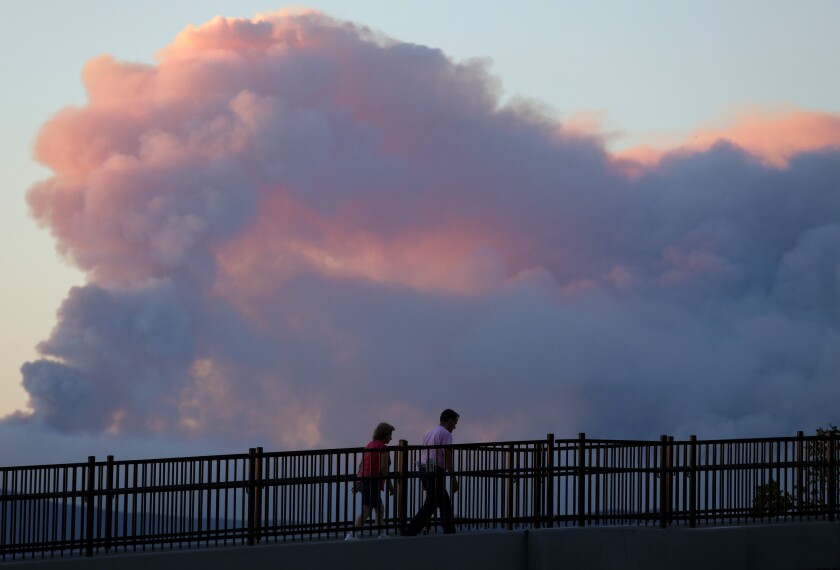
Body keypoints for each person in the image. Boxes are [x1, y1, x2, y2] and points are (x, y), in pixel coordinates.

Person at [405, 409, 459, 536]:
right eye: (455, 423)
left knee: (436, 502)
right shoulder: (445, 434)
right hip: (435, 469)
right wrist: (453, 477)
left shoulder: (430, 432)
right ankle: (412, 530)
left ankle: (448, 532)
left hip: (425, 467)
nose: (455, 427)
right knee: (436, 504)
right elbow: (447, 454)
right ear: (449, 420)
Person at [346, 422, 395, 540]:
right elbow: (383, 469)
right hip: (372, 482)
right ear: (384, 435)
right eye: (390, 435)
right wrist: (390, 486)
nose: (391, 438)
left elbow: (361, 465)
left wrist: (358, 482)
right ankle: (352, 534)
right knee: (367, 510)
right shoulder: (383, 448)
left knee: (379, 508)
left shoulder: (369, 445)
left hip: (365, 480)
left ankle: (381, 533)